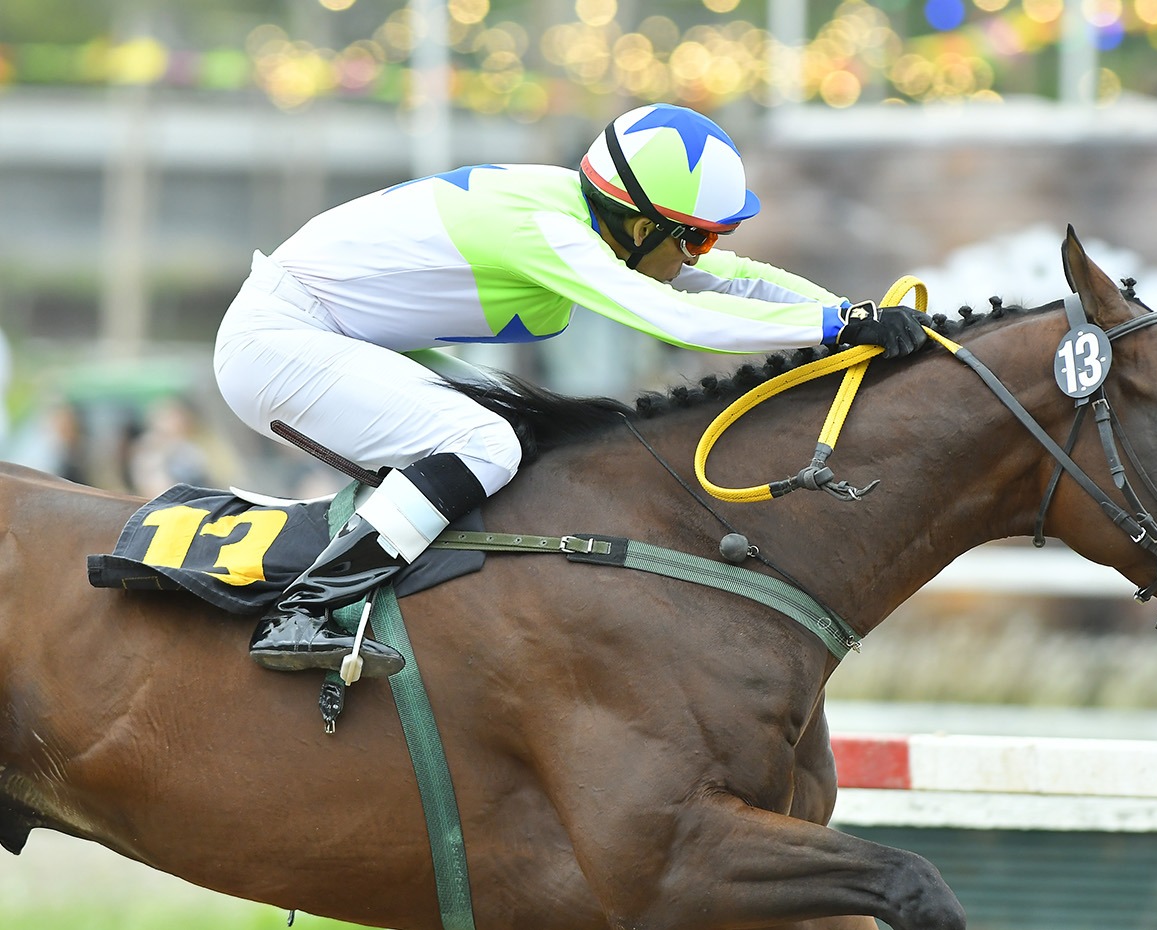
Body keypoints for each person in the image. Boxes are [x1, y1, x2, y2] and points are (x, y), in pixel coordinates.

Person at [214, 103, 929, 679]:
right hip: (277, 344)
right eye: (695, 239)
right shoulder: (550, 231)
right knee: (486, 442)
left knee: (524, 436)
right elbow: (676, 317)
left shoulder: (585, 215)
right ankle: (303, 610)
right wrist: (835, 325)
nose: (701, 255)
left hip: (329, 335)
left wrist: (854, 311)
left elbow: (732, 279)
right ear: (641, 225)